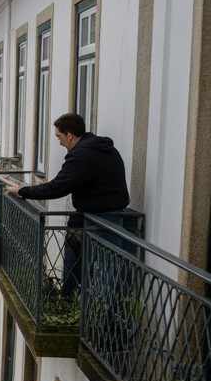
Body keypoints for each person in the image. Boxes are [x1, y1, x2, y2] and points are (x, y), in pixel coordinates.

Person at [11, 112, 130, 299]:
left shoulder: (81, 156)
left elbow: (58, 187)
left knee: (101, 270)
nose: (59, 142)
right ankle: (79, 302)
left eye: (59, 136)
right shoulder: (103, 149)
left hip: (98, 220)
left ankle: (78, 306)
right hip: (110, 217)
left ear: (70, 135)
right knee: (105, 267)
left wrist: (23, 191)